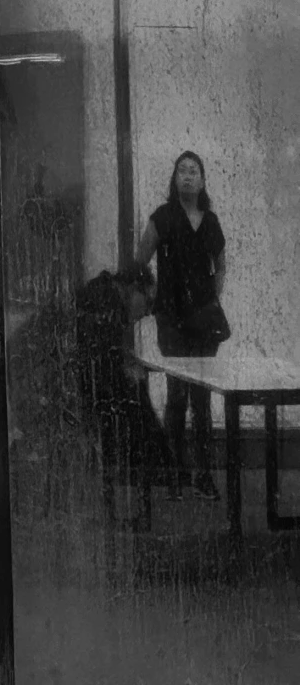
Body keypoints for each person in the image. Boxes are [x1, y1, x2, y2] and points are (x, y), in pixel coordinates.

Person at [134, 151, 227, 497]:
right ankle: (175, 473)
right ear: (174, 180)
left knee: (201, 399)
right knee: (176, 398)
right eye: (181, 171)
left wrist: (213, 298)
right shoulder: (162, 218)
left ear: (202, 180)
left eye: (194, 171)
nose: (187, 176)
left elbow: (220, 263)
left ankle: (203, 475)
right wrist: (156, 297)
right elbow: (141, 260)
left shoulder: (211, 221)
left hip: (203, 322)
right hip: (171, 320)